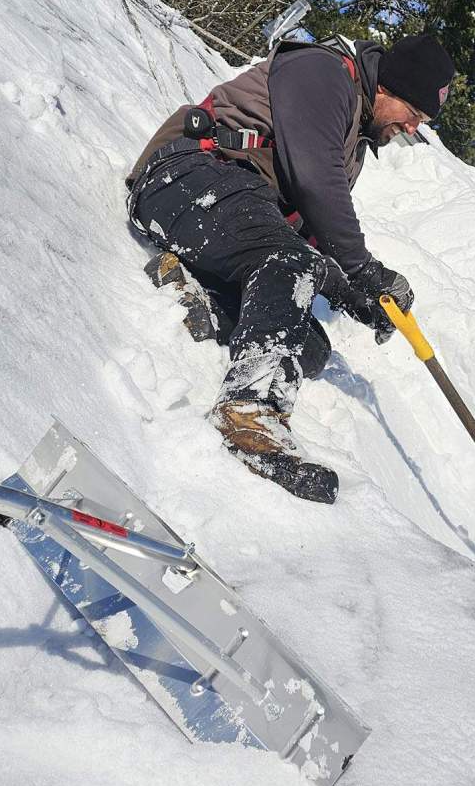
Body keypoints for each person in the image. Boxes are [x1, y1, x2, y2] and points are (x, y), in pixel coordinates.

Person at [126, 32, 455, 504]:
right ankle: (248, 413)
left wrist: (355, 295)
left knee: (310, 345)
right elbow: (317, 185)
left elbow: (310, 232)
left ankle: (198, 294)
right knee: (290, 263)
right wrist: (364, 269)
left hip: (224, 214)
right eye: (413, 113)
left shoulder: (353, 139)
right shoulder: (323, 73)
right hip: (185, 176)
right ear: (388, 87)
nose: (411, 127)